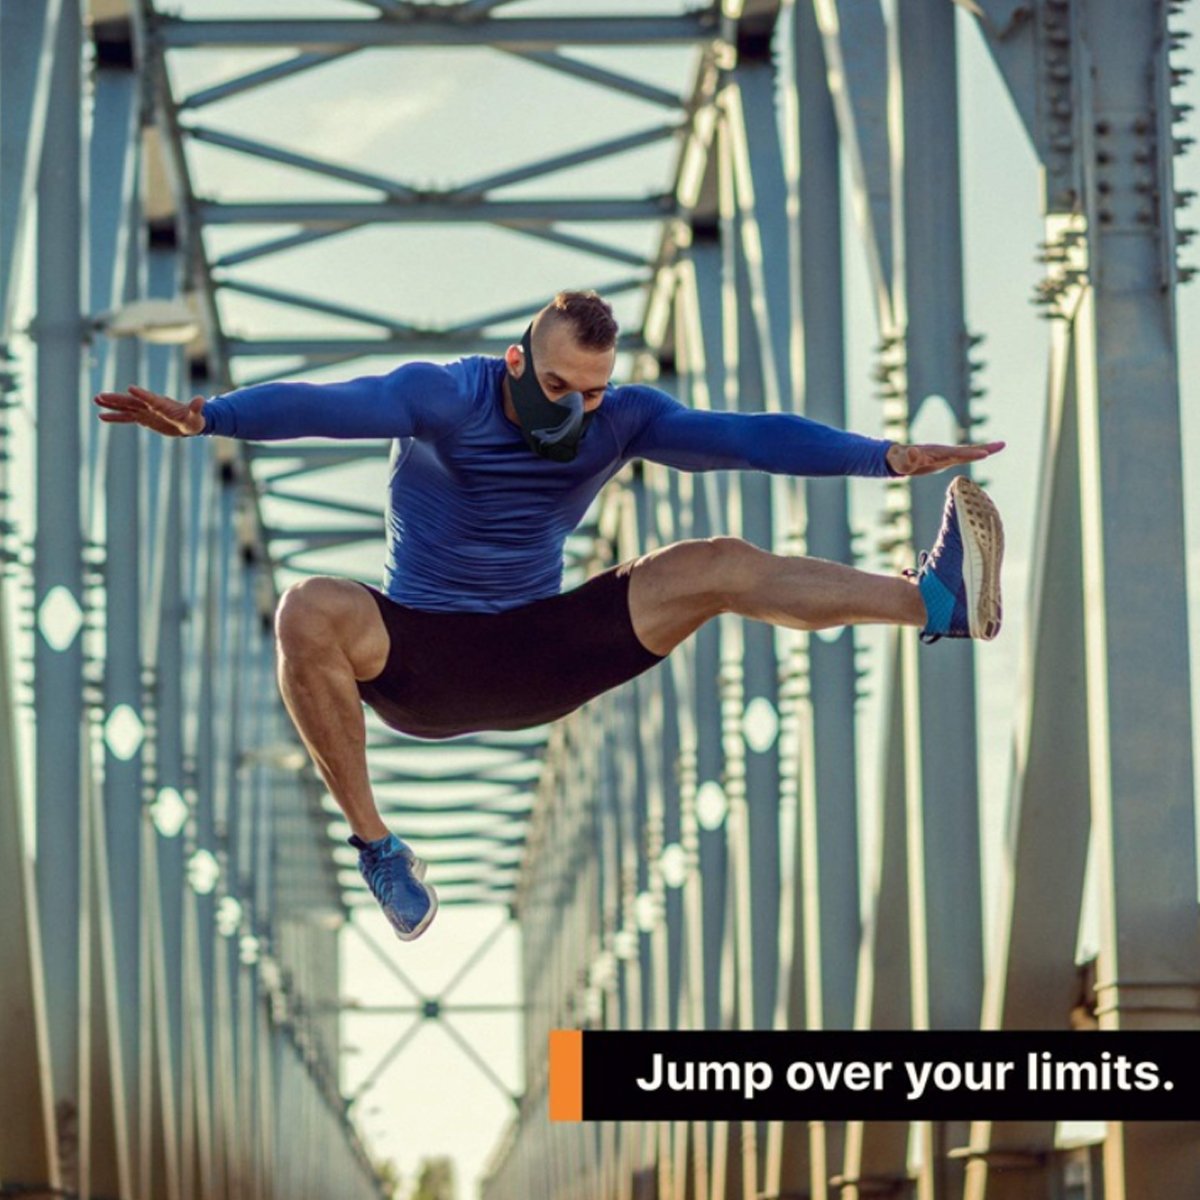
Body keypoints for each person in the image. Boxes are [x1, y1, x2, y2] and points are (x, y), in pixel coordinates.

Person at [94, 290, 1004, 944]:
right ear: (519, 363)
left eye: (599, 390)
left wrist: (879, 458)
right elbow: (337, 406)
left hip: (543, 653)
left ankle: (935, 600)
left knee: (715, 563)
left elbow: (746, 436)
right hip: (423, 660)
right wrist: (210, 418)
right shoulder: (447, 393)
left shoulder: (623, 420)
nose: (582, 409)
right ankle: (377, 848)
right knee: (307, 607)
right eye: (564, 387)